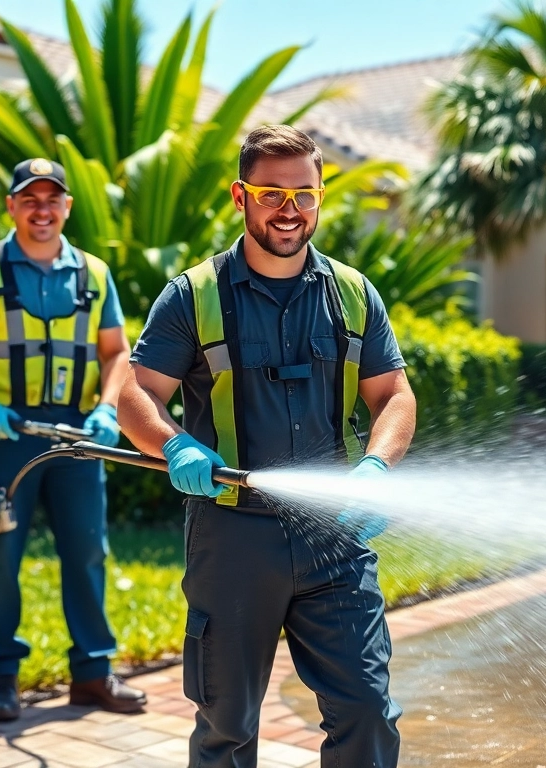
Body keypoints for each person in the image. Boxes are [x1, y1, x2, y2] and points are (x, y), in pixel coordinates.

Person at [119, 125, 417, 766]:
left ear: (320, 196)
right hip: (232, 541)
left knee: (368, 711)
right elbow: (135, 395)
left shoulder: (354, 296)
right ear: (240, 196)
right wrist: (175, 445)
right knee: (227, 727)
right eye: (271, 193)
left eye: (304, 194)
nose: (290, 209)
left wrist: (375, 465)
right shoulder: (193, 297)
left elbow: (394, 395)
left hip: (333, 536)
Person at [0, 158, 146, 720]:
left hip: (78, 438)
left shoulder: (93, 273)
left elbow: (117, 351)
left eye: (53, 199)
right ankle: (1, 677)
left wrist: (106, 410)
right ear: (12, 206)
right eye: (30, 199)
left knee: (88, 553)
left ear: (67, 206)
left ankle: (93, 675)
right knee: (2, 555)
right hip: (6, 438)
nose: (42, 210)